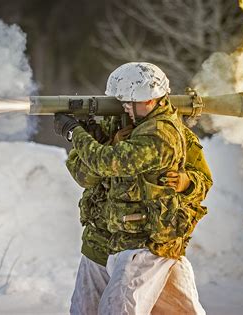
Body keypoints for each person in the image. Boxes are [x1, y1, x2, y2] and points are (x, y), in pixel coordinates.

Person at [53, 62, 212, 315]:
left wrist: (76, 134)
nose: (123, 107)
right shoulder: (118, 123)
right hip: (105, 236)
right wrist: (95, 136)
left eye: (128, 101)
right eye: (121, 101)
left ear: (148, 100)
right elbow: (85, 174)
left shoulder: (163, 133)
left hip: (147, 240)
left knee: (121, 309)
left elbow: (109, 162)